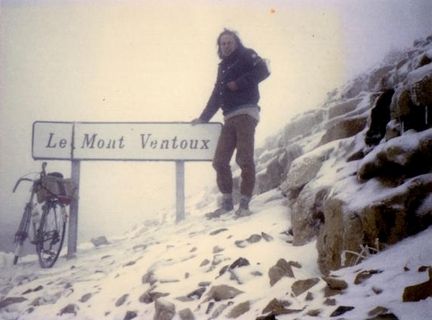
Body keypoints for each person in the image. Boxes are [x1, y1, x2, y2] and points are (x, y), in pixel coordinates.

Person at [192, 29, 270, 218]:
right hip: (229, 117)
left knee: (244, 158)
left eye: (229, 42)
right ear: (219, 46)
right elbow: (216, 95)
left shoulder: (246, 55)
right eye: (222, 43)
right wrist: (203, 118)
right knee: (219, 161)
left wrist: (240, 83)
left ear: (236, 42)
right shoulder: (222, 67)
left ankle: (244, 205)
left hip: (246, 113)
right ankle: (227, 204)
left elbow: (263, 70)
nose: (226, 46)